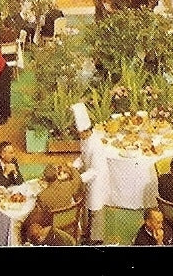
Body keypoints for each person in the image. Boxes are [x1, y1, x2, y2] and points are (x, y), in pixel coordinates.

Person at [73, 103, 108, 244]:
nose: (79, 136)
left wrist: (78, 178)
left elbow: (95, 170)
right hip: (89, 176)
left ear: (87, 131)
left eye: (80, 133)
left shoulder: (96, 145)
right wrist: (73, 166)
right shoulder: (84, 139)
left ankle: (96, 239)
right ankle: (88, 234)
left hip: (97, 179)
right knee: (88, 206)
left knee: (95, 208)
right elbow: (82, 157)